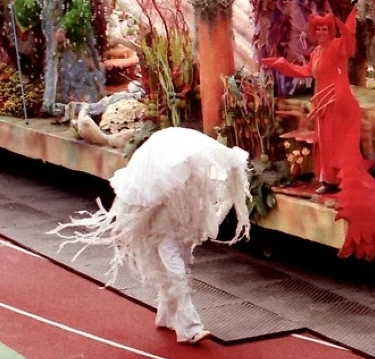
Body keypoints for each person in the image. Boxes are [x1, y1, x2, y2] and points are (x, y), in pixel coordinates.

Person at [54, 127, 251, 344]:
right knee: (176, 271)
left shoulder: (181, 167)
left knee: (182, 265)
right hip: (162, 232)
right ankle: (189, 329)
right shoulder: (153, 179)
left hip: (180, 228)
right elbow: (147, 206)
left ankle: (165, 316)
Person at [263, 10, 361, 194]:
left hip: (337, 101)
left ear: (330, 31)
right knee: (326, 142)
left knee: (338, 142)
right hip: (323, 103)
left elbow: (349, 47)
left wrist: (345, 30)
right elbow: (306, 71)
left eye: (325, 29)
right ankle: (330, 180)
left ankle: (344, 180)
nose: (322, 32)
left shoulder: (337, 45)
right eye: (319, 29)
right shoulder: (316, 52)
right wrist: (282, 64)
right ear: (315, 32)